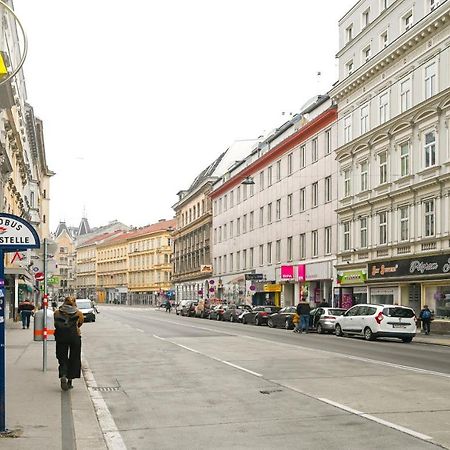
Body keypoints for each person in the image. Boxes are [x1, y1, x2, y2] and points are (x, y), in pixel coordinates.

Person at [54, 297, 84, 391]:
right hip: (74, 337)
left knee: (62, 357)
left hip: (61, 337)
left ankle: (63, 374)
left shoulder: (57, 312)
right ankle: (70, 381)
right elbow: (80, 322)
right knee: (74, 358)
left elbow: (55, 323)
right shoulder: (78, 313)